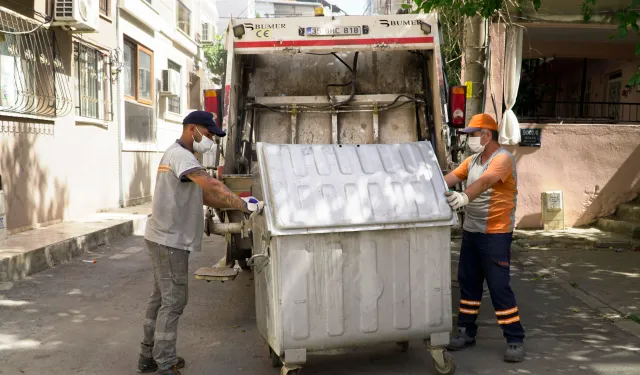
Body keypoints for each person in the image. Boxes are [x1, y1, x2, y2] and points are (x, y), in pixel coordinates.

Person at [137, 111, 260, 375]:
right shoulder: (182, 156)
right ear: (192, 129)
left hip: (162, 238)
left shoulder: (179, 156)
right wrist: (243, 204)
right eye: (208, 134)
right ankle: (165, 363)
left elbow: (204, 196)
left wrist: (243, 206)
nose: (211, 140)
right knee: (173, 302)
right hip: (169, 241)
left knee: (159, 300)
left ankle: (148, 357)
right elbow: (213, 186)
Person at [443, 113, 525, 363]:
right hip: (472, 231)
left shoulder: (504, 159)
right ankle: (466, 332)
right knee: (468, 284)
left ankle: (514, 339)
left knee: (499, 287)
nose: (469, 139)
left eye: (472, 134)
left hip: (496, 235)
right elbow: (450, 178)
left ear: (486, 135)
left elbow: (487, 181)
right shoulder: (473, 160)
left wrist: (464, 197)